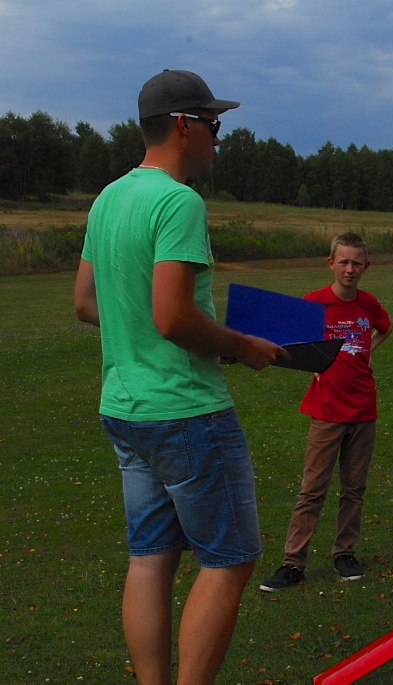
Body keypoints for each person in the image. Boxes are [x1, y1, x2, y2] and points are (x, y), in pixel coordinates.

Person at [73, 69, 286, 685]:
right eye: (215, 127)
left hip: (126, 409)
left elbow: (86, 303)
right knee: (229, 561)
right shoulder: (178, 201)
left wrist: (139, 326)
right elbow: (172, 317)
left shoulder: (108, 198)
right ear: (186, 126)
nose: (219, 140)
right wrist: (242, 346)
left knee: (150, 560)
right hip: (186, 410)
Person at [260, 233, 392, 591]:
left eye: (357, 263)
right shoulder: (314, 303)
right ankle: (293, 562)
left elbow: (385, 327)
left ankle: (344, 553)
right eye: (343, 262)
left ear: (366, 266)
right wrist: (310, 363)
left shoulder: (368, 304)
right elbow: (286, 340)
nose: (350, 269)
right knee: (313, 489)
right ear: (331, 263)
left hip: (363, 409)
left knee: (354, 488)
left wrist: (367, 351)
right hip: (327, 409)